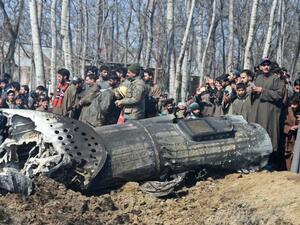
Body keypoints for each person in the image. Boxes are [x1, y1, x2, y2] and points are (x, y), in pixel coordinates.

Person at [250, 58, 285, 166]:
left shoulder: (276, 79)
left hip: (269, 113)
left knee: (269, 135)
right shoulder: (258, 78)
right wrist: (253, 90)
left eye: (268, 65)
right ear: (260, 67)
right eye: (264, 65)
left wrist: (263, 91)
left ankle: (269, 163)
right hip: (257, 111)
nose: (266, 67)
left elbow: (279, 94)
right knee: (257, 135)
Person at [283, 97, 300, 170]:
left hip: (297, 138)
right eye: (292, 104)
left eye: (295, 104)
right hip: (289, 138)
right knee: (288, 156)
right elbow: (281, 125)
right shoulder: (286, 111)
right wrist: (290, 128)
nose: (293, 106)